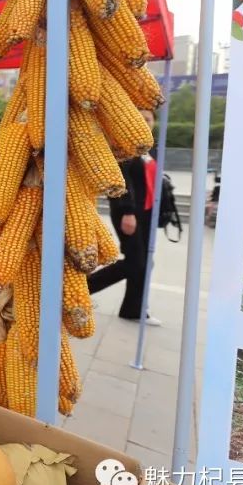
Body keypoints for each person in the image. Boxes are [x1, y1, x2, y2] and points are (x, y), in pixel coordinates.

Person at [87, 109, 162, 326]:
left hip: (147, 213)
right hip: (128, 213)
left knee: (145, 262)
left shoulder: (150, 148)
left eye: (148, 119)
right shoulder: (123, 147)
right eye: (140, 118)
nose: (145, 122)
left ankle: (133, 309)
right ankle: (80, 290)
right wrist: (128, 211)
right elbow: (121, 181)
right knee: (135, 262)